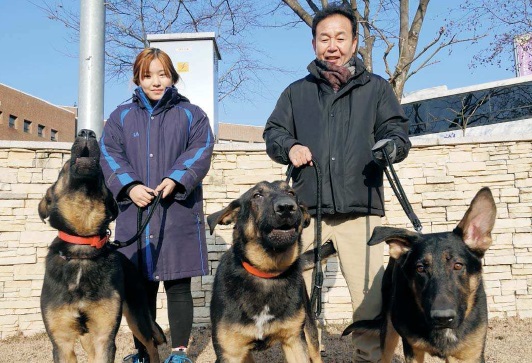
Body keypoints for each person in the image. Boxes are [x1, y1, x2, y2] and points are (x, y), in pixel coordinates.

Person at [263, 4, 411, 363]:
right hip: (307, 212)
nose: (333, 45)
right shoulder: (296, 92)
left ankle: (371, 357)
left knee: (369, 297)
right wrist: (290, 147)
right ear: (313, 43)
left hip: (360, 211)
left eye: (340, 37)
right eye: (324, 37)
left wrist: (389, 146)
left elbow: (397, 132)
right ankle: (303, 354)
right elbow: (274, 133)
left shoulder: (376, 89)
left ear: (355, 42)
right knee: (287, 289)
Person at [100, 48, 214, 363]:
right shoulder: (120, 116)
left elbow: (201, 148)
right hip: (134, 215)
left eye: (162, 74)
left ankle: (179, 353)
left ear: (172, 76)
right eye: (148, 75)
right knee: (140, 289)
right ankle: (144, 351)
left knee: (178, 284)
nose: (155, 81)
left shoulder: (192, 114)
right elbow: (109, 153)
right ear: (138, 78)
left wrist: (177, 179)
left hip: (178, 212)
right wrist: (129, 185)